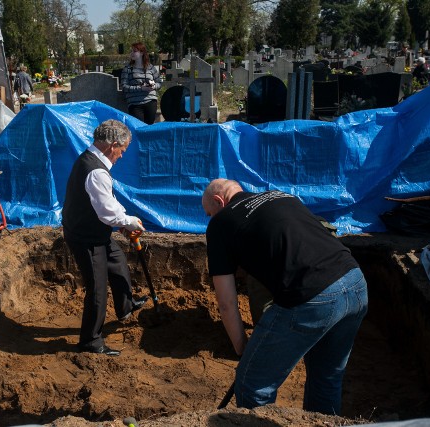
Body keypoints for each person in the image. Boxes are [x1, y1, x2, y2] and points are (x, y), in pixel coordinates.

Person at [202, 179, 368, 415]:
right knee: (326, 378)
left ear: (219, 201)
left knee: (252, 384)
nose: (210, 218)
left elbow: (227, 303)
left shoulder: (220, 223)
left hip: (311, 296)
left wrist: (242, 349)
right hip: (355, 283)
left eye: (209, 213)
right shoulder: (281, 196)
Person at [62, 119, 149, 357]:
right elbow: (107, 212)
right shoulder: (96, 171)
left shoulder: (90, 161)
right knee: (97, 288)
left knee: (118, 261)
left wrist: (120, 225)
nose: (121, 156)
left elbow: (105, 202)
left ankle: (125, 306)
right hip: (86, 236)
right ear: (112, 146)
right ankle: (90, 340)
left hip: (93, 229)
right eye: (122, 150)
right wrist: (129, 221)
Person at [121, 42, 162, 125]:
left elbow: (159, 83)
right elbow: (124, 87)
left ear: (142, 53)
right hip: (135, 103)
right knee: (139, 127)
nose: (131, 53)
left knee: (149, 128)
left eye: (134, 51)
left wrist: (154, 86)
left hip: (150, 101)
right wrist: (141, 88)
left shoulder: (151, 68)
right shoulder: (127, 69)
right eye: (131, 51)